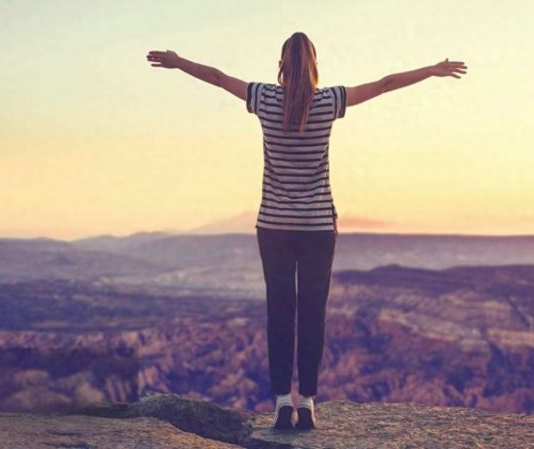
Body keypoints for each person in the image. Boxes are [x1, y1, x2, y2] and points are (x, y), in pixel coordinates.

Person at [146, 33, 467, 430]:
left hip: (274, 226)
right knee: (313, 312)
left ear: (281, 64)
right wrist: (431, 70)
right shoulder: (329, 101)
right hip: (317, 227)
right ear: (315, 64)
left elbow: (217, 77)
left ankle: (283, 401)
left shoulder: (263, 98)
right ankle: (309, 402)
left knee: (279, 310)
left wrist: (179, 62)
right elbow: (384, 84)